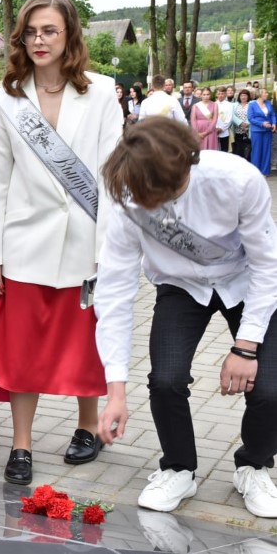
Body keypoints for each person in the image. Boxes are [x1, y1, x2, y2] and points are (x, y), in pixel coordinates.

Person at [0, 0, 123, 485]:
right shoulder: (6, 100)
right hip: (24, 242)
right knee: (23, 347)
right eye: (31, 32)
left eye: (50, 31)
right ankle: (21, 444)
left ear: (69, 34)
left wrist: (109, 250)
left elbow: (112, 176)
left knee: (86, 341)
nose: (39, 40)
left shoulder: (102, 92)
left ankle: (87, 426)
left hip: (85, 239)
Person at [96, 116, 277, 518]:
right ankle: (179, 468)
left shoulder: (237, 180)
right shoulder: (127, 193)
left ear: (187, 164)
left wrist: (245, 348)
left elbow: (268, 266)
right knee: (166, 380)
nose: (153, 203)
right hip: (180, 285)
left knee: (270, 389)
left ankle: (253, 466)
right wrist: (116, 391)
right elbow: (115, 292)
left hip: (245, 280)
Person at [248, 87, 276, 176]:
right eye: (265, 92)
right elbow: (250, 118)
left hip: (268, 131)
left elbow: (273, 115)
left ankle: (265, 171)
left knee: (266, 151)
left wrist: (274, 123)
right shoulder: (252, 104)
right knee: (256, 151)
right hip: (257, 131)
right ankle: (256, 172)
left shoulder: (268, 103)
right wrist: (262, 123)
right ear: (260, 94)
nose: (267, 94)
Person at [233, 88, 252, 160]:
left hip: (248, 130)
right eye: (241, 95)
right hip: (238, 129)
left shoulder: (251, 105)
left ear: (248, 96)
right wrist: (240, 123)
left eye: (245, 95)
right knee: (238, 149)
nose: (243, 97)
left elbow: (253, 115)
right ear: (239, 97)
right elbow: (232, 115)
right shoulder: (235, 105)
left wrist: (247, 123)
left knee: (248, 149)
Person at [215, 86, 234, 153]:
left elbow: (229, 119)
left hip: (224, 131)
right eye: (219, 93)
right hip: (214, 131)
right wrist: (215, 128)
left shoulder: (230, 105)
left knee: (224, 151)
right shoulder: (214, 104)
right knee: (215, 150)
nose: (220, 95)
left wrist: (222, 128)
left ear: (225, 94)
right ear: (216, 94)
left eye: (222, 94)